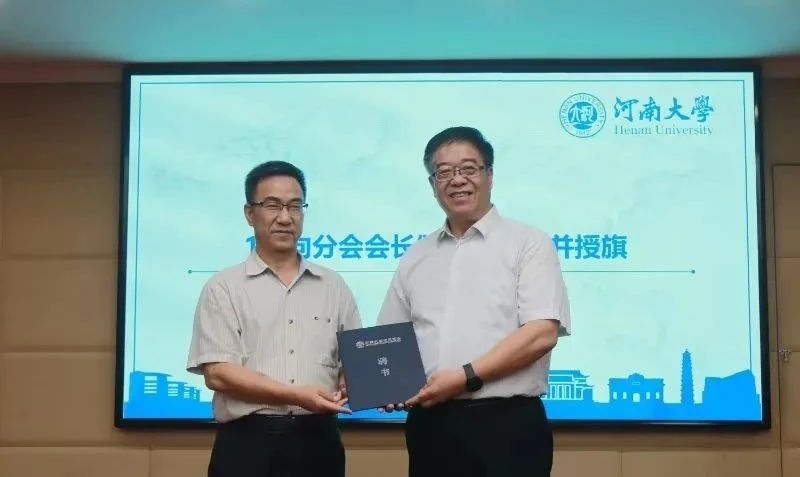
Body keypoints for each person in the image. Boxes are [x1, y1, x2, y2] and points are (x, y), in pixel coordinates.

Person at [377, 127, 571, 477]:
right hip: (431, 426)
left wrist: (465, 376)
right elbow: (389, 340)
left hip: (508, 427)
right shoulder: (416, 255)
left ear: (489, 175)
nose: (457, 180)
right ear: (432, 184)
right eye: (444, 172)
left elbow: (542, 333)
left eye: (468, 168)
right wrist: (379, 383)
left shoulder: (529, 243)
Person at [187, 160, 362, 477]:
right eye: (272, 205)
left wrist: (352, 380)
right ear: (249, 213)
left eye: (295, 206)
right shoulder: (224, 287)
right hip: (247, 444)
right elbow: (218, 374)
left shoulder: (334, 286)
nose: (285, 217)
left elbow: (355, 361)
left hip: (318, 441)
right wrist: (296, 395)